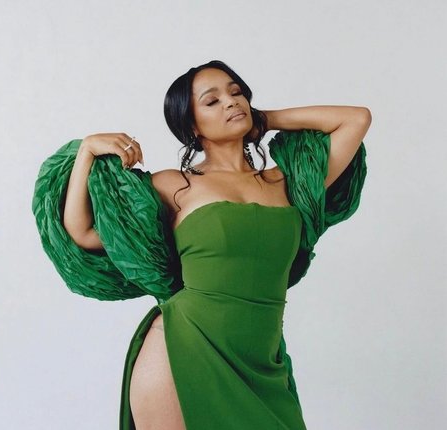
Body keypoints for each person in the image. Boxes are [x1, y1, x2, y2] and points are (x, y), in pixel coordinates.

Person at [32, 59, 371, 429]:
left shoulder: (288, 183)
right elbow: (82, 231)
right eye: (212, 101)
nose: (230, 102)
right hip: (183, 348)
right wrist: (86, 151)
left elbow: (356, 119)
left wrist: (264, 119)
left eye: (236, 93)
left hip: (262, 362)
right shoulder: (175, 187)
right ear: (192, 125)